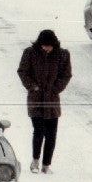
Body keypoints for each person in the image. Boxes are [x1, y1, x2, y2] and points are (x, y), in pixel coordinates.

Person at [17, 30, 72, 174]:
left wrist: (55, 89)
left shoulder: (62, 55)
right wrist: (32, 86)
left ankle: (46, 165)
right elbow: (22, 71)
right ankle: (35, 160)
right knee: (39, 131)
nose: (46, 49)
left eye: (49, 46)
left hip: (52, 101)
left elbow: (66, 75)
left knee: (51, 134)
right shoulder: (29, 53)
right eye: (44, 46)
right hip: (36, 99)